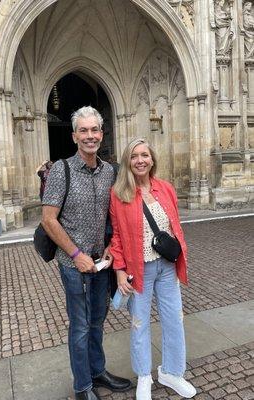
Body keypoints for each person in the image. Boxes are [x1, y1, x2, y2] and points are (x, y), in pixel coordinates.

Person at [42, 106, 131, 400]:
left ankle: (97, 372)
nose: (90, 136)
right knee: (80, 326)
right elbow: (48, 220)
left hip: (101, 264)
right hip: (73, 264)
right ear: (74, 136)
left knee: (97, 321)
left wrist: (109, 245)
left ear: (101, 134)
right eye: (84, 130)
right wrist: (76, 253)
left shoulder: (109, 171)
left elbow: (112, 215)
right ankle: (82, 387)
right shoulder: (61, 170)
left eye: (95, 130)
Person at [109, 138, 197, 399]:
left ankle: (171, 372)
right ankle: (144, 377)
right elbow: (116, 236)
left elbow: (174, 226)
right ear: (128, 161)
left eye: (144, 155)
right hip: (139, 269)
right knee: (140, 323)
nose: (140, 160)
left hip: (167, 267)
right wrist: (120, 269)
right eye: (134, 156)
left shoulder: (165, 188)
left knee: (174, 320)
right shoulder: (119, 194)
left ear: (152, 159)